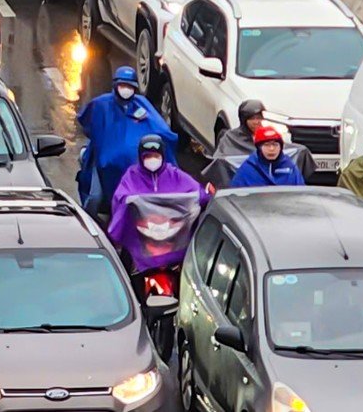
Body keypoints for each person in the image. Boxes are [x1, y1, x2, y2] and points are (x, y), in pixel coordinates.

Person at [76, 66, 179, 218]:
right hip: (102, 164)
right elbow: (86, 122)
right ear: (115, 86)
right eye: (122, 86)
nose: (126, 90)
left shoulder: (142, 105)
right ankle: (88, 224)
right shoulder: (101, 105)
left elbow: (159, 128)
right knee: (94, 197)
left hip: (133, 166)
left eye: (129, 86)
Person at [106, 135, 208, 277]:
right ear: (140, 157)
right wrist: (130, 201)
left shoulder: (175, 175)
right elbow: (120, 198)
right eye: (147, 156)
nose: (152, 159)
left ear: (162, 155)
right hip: (141, 237)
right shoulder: (132, 175)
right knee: (124, 272)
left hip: (173, 238)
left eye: (156, 155)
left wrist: (201, 198)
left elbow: (199, 193)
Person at [203, 98, 313, 188]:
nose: (256, 122)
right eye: (252, 119)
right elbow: (220, 161)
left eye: (259, 118)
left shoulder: (289, 168)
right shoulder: (231, 141)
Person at [227, 124, 306, 188]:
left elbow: (300, 194)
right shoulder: (247, 169)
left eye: (275, 145)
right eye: (267, 145)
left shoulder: (290, 167)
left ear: (281, 147)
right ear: (259, 148)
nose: (271, 149)